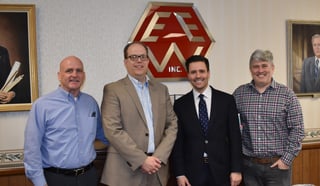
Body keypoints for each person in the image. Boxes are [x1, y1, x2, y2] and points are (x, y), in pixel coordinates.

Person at [100, 41, 178, 186]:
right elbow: (112, 130)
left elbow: (172, 125)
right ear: (125, 62)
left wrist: (158, 157)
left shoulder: (161, 90)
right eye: (133, 57)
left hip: (157, 169)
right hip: (125, 172)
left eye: (142, 57)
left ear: (148, 60)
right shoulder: (113, 90)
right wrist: (142, 160)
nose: (139, 61)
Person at [24, 56, 108, 186]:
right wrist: (39, 183)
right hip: (56, 178)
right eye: (69, 70)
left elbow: (103, 136)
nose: (74, 74)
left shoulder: (91, 103)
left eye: (78, 70)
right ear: (59, 75)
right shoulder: (42, 105)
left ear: (84, 75)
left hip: (89, 177)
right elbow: (32, 148)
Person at [233, 49, 304, 186]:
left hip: (277, 167)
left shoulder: (287, 95)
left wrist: (286, 160)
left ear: (272, 68)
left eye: (264, 65)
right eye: (256, 66)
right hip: (249, 168)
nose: (260, 70)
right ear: (250, 69)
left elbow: (298, 130)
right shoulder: (239, 94)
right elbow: (229, 125)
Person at [170, 55, 242, 186]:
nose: (198, 76)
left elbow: (235, 138)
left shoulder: (226, 100)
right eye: (193, 72)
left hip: (222, 171)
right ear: (188, 75)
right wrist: (179, 173)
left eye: (202, 71)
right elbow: (178, 142)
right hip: (192, 173)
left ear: (208, 73)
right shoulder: (180, 105)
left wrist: (236, 169)